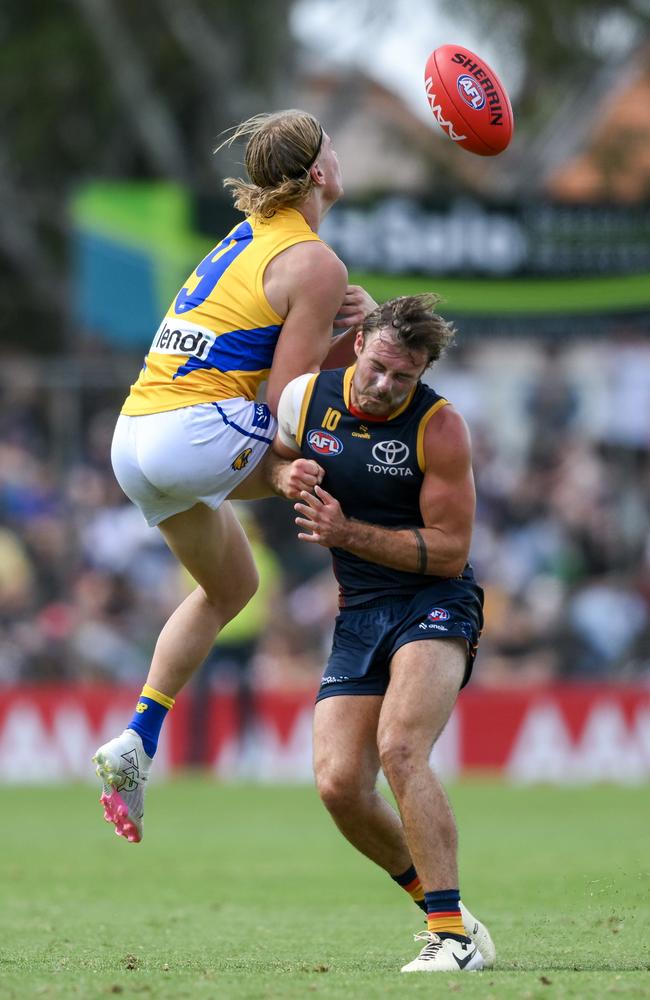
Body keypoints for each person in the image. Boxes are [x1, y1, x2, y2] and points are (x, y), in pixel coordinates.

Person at [92, 109, 375, 843]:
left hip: (135, 439)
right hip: (193, 433)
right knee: (318, 456)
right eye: (334, 146)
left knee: (233, 589)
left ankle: (137, 739)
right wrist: (368, 337)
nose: (340, 157)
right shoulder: (316, 262)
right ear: (317, 173)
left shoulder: (245, 236)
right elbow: (290, 401)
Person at [267, 294, 496, 974]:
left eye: (405, 376)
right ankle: (444, 912)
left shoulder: (440, 427)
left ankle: (452, 939)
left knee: (400, 748)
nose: (385, 385)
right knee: (339, 784)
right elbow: (271, 463)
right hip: (360, 610)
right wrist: (286, 476)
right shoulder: (307, 400)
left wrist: (347, 534)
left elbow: (452, 551)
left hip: (435, 602)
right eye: (378, 368)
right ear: (358, 343)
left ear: (423, 372)